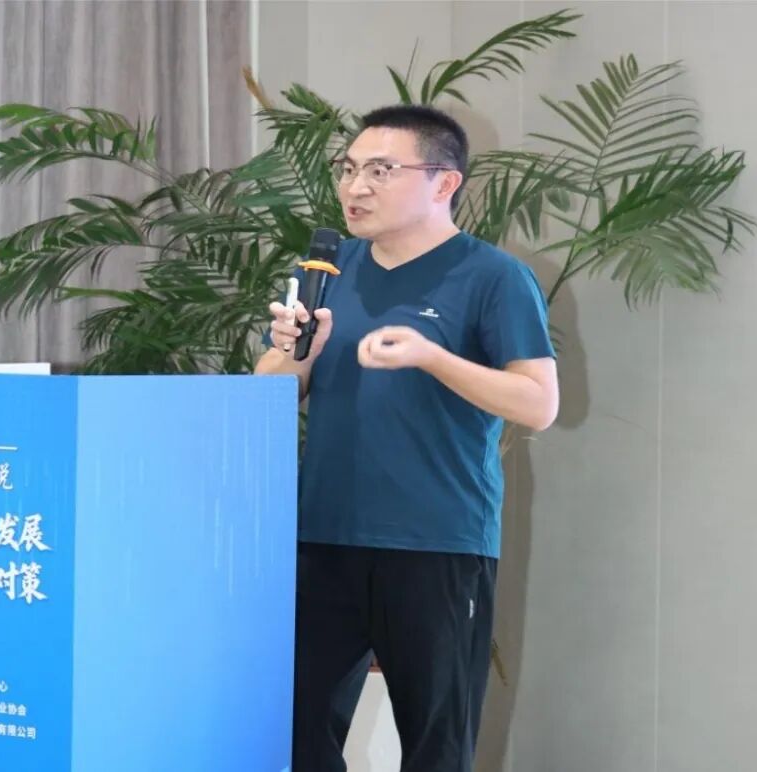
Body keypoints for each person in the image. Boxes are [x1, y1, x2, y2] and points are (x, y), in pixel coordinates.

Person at [254, 104, 559, 772]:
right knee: (289, 736)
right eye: (348, 169)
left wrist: (433, 357)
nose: (355, 187)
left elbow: (539, 404)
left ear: (444, 182)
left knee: (434, 746)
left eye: (381, 170)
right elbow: (267, 399)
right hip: (322, 537)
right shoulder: (326, 270)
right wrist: (293, 353)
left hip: (435, 544)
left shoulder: (493, 276)